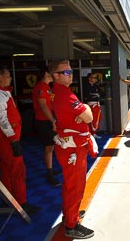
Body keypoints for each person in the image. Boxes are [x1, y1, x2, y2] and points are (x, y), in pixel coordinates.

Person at [49, 60, 96, 239]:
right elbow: (88, 117)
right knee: (75, 186)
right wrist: (84, 110)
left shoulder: (60, 92)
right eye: (66, 72)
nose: (71, 74)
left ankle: (71, 214)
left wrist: (81, 113)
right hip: (73, 150)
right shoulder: (65, 95)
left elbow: (82, 116)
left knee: (71, 185)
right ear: (56, 76)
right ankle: (71, 225)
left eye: (71, 71)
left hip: (70, 147)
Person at [0, 66, 40, 215]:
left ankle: (7, 197)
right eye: (8, 76)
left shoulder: (3, 92)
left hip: (8, 137)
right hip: (5, 138)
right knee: (17, 169)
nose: (10, 78)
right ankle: (21, 202)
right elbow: (2, 120)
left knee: (7, 169)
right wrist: (13, 140)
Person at [32, 67, 61, 186]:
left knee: (51, 147)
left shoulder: (47, 87)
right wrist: (53, 121)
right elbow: (43, 106)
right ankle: (49, 174)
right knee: (49, 148)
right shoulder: (41, 87)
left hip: (48, 120)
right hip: (43, 121)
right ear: (45, 73)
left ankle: (50, 169)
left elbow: (50, 105)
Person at [84, 72, 102, 137]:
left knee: (98, 118)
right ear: (89, 78)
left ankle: (94, 132)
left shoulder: (96, 86)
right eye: (92, 77)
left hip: (97, 104)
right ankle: (92, 133)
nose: (94, 79)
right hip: (91, 104)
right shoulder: (86, 86)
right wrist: (96, 95)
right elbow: (88, 96)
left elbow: (100, 94)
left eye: (95, 78)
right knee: (93, 119)